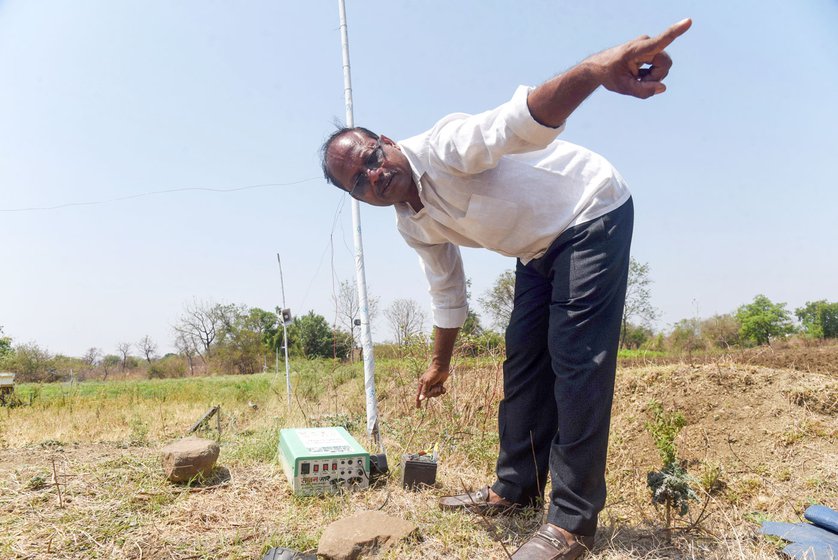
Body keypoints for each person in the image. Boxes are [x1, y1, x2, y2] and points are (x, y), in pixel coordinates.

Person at [320, 18, 692, 560]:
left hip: (590, 211)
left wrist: (593, 70)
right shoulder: (410, 223)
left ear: (388, 143)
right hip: (537, 248)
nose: (373, 176)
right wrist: (440, 366)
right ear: (358, 199)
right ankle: (514, 489)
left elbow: (519, 121)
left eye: (373, 158)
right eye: (358, 181)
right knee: (522, 361)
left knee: (576, 361)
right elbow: (446, 290)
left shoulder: (445, 147)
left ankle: (570, 522)